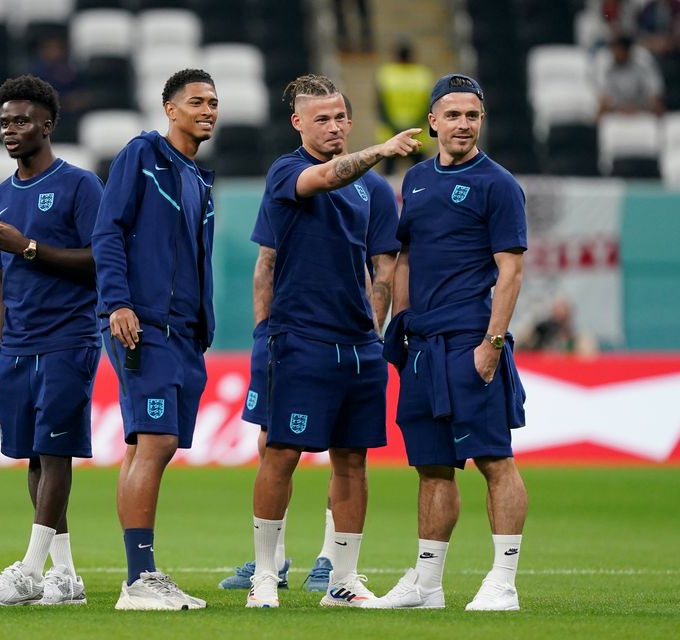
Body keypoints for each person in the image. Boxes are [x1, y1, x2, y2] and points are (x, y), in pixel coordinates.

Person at [244, 74, 419, 609]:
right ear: (298, 122)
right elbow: (267, 262)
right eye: (322, 118)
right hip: (298, 339)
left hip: (357, 346)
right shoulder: (287, 171)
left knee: (353, 462)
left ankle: (343, 578)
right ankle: (266, 575)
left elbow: (383, 268)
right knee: (281, 453)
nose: (335, 125)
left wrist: (374, 328)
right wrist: (263, 334)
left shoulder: (376, 192)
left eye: (342, 116)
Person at [368, 73, 529, 611]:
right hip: (423, 343)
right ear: (432, 120)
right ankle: (427, 585)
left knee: (493, 459)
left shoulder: (498, 184)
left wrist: (493, 342)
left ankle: (503, 582)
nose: (464, 124)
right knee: (432, 465)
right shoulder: (414, 181)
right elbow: (405, 257)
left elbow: (510, 271)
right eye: (453, 115)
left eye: (473, 115)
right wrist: (401, 321)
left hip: (470, 337)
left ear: (481, 121)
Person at [92, 68, 218, 611]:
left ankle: (137, 577)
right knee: (157, 442)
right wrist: (117, 302)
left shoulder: (198, 177)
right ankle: (140, 579)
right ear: (169, 109)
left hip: (183, 332)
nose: (208, 109)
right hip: (143, 322)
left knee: (146, 445)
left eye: (213, 101)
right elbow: (108, 229)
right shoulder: (142, 155)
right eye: (196, 101)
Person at [0, 75, 102, 607]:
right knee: (33, 456)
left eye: (22, 120)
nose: (10, 129)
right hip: (18, 346)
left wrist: (28, 246)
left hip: (67, 337)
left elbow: (99, 261)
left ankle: (29, 570)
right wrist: (0, 345)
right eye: (4, 121)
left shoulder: (80, 185)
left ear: (47, 125)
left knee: (55, 452)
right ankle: (65, 576)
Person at [375, 41, 432, 174]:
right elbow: (428, 105)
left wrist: (395, 128)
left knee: (387, 178)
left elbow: (380, 105)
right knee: (422, 176)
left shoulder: (385, 73)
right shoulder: (423, 74)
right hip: (418, 134)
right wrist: (412, 127)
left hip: (390, 134)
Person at [596, 34, 665, 116]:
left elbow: (655, 89)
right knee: (601, 108)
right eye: (613, 50)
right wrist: (619, 108)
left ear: (627, 50)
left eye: (618, 50)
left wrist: (642, 107)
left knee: (658, 104)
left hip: (642, 109)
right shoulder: (604, 60)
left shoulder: (643, 59)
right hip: (615, 110)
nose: (615, 53)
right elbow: (602, 94)